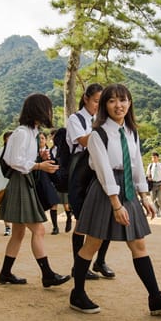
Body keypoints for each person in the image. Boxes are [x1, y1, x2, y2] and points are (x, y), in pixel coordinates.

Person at [69, 84, 161, 316]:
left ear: (129, 103)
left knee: (138, 243)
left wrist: (144, 196)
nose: (118, 105)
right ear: (104, 106)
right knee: (93, 243)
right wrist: (116, 204)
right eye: (111, 101)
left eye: (123, 100)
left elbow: (137, 165)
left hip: (128, 188)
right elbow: (102, 170)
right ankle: (78, 294)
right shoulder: (97, 134)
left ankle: (155, 298)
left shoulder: (131, 132)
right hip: (105, 190)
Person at [0, 93, 70, 288]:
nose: (49, 112)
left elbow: (20, 158)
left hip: (23, 181)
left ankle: (5, 273)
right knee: (39, 229)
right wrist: (39, 166)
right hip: (20, 183)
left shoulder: (32, 132)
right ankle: (47, 275)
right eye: (46, 108)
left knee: (19, 233)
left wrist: (39, 156)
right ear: (37, 110)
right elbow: (12, 160)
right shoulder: (22, 132)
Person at [66, 83, 115, 280]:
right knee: (81, 221)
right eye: (96, 101)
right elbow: (85, 142)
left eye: (101, 102)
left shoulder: (100, 120)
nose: (98, 105)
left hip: (99, 170)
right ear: (86, 98)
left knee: (108, 215)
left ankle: (100, 260)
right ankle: (79, 265)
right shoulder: (75, 118)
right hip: (81, 174)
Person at [147, 152, 161, 217]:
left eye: (155, 157)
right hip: (153, 185)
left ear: (158, 158)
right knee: (153, 200)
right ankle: (158, 212)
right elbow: (148, 175)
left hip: (160, 184)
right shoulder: (150, 165)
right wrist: (149, 178)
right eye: (152, 157)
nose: (153, 158)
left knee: (159, 199)